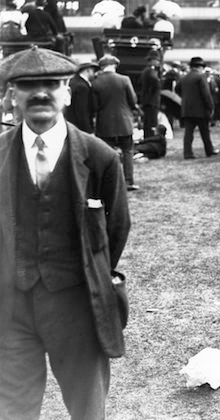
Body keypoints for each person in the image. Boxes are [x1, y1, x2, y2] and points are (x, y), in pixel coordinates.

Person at [0, 46, 130, 420]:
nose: (40, 93)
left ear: (68, 93)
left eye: (52, 84)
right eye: (28, 85)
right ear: (13, 95)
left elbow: (116, 229)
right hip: (11, 311)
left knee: (87, 409)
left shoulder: (100, 156)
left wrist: (84, 272)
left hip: (78, 307)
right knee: (12, 409)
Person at [92, 54, 141, 191]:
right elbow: (133, 101)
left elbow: (94, 106)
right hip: (124, 122)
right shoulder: (124, 79)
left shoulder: (95, 83)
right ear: (114, 66)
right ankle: (128, 181)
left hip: (105, 124)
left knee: (106, 154)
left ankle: (109, 184)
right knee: (128, 152)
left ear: (101, 67)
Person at [175, 56, 219, 159]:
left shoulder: (184, 77)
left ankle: (187, 153)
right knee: (205, 132)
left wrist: (185, 98)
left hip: (187, 109)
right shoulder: (200, 77)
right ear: (200, 67)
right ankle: (209, 150)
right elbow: (206, 94)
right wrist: (211, 107)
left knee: (188, 133)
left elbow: (177, 89)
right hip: (201, 110)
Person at [64, 61, 98, 133]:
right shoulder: (82, 87)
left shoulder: (73, 81)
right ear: (88, 70)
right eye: (93, 71)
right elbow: (82, 110)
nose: (95, 74)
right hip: (79, 128)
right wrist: (88, 130)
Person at [139, 50, 162, 138]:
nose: (158, 62)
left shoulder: (146, 71)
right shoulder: (151, 72)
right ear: (152, 60)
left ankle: (148, 140)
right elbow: (157, 84)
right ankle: (151, 140)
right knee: (152, 124)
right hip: (152, 102)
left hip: (147, 101)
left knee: (147, 124)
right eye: (157, 60)